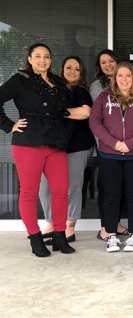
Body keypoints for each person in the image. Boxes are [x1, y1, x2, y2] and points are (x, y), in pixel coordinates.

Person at [0, 43, 88, 257]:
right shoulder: (21, 79)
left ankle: (60, 235)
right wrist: (8, 125)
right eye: (37, 56)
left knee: (60, 191)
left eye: (46, 56)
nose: (42, 60)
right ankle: (35, 238)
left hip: (55, 143)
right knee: (29, 193)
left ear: (50, 60)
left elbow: (63, 111)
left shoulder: (58, 82)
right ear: (29, 59)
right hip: (29, 142)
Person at [89, 62, 133, 252]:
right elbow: (95, 122)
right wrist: (114, 143)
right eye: (120, 76)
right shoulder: (104, 97)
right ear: (114, 78)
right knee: (111, 194)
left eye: (128, 76)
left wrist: (131, 143)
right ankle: (111, 235)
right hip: (110, 154)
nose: (124, 79)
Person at [39, 56, 96, 244]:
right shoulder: (55, 90)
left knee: (72, 187)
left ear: (82, 73)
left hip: (77, 146)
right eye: (68, 67)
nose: (72, 71)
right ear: (61, 69)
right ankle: (51, 223)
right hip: (55, 145)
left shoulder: (80, 91)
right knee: (45, 186)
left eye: (77, 69)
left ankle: (69, 226)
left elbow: (86, 112)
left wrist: (61, 111)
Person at [89, 49, 129, 240]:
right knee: (107, 189)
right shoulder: (98, 87)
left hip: (126, 149)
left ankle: (117, 223)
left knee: (120, 188)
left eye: (111, 61)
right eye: (103, 62)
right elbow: (100, 119)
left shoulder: (128, 83)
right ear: (99, 67)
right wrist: (111, 143)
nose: (108, 65)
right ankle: (105, 227)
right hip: (105, 147)